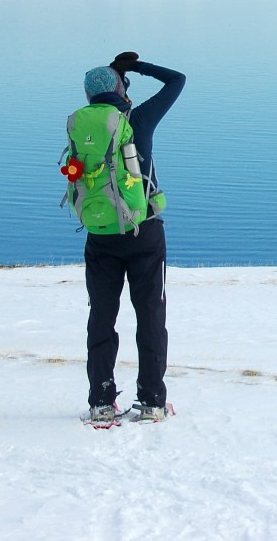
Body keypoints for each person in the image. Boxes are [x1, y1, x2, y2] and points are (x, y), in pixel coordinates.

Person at [82, 52, 185, 424]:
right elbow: (177, 79)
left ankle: (101, 403)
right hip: (144, 234)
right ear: (120, 89)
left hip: (100, 235)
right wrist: (136, 66)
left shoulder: (84, 128)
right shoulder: (137, 120)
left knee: (102, 319)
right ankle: (153, 402)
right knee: (151, 316)